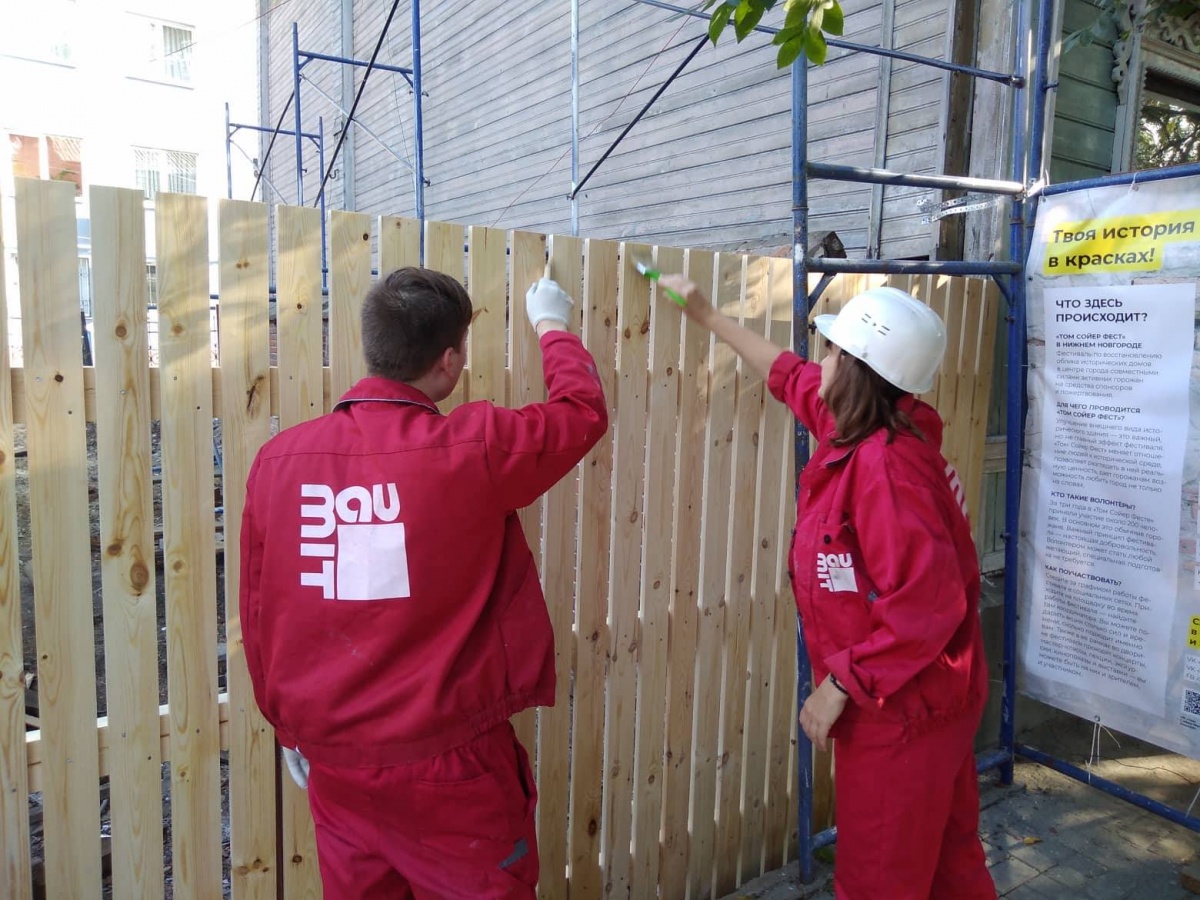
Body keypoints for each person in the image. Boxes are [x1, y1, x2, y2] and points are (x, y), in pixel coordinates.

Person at [239, 267, 608, 899]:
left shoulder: (279, 462)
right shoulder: (474, 447)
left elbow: (257, 607)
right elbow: (580, 412)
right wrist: (551, 324)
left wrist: (287, 726)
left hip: (336, 760)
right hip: (452, 765)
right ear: (449, 360)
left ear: (372, 346)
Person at [656, 274, 996, 900]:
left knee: (878, 880)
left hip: (901, 713)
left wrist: (840, 686)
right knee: (950, 867)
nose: (823, 360)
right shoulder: (867, 422)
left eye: (833, 350)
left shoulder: (886, 469)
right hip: (934, 699)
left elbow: (928, 603)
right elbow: (788, 375)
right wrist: (706, 314)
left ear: (858, 368)